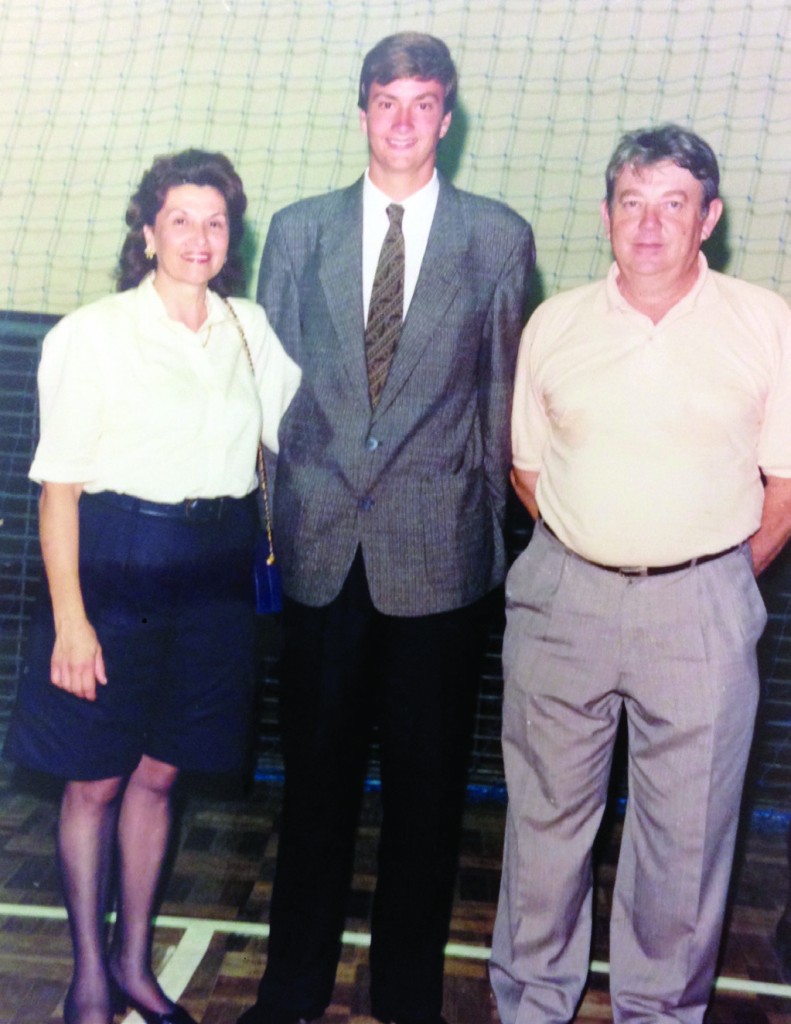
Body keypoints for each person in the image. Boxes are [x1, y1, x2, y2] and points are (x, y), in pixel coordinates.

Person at [236, 32, 535, 1024]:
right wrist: (272, 534)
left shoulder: (495, 237)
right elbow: (264, 395)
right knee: (312, 790)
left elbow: (500, 397)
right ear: (361, 111)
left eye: (422, 104)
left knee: (425, 796)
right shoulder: (298, 231)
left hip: (437, 561)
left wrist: (485, 543)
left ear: (446, 118)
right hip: (319, 554)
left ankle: (407, 997)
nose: (402, 122)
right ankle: (289, 992)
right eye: (385, 102)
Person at [489, 124, 791, 1023]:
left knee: (685, 845)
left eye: (673, 205)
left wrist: (702, 576)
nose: (650, 225)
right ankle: (532, 1005)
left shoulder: (764, 321)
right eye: (632, 203)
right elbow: (526, 470)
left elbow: (784, 486)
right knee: (542, 832)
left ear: (710, 218)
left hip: (700, 608)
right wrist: (601, 550)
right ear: (605, 214)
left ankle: (658, 1014)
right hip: (562, 600)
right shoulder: (556, 323)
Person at [5, 149, 300, 1024]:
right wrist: (70, 620)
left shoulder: (249, 327)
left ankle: (136, 966)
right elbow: (58, 488)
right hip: (116, 564)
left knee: (160, 778)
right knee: (93, 781)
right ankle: (89, 979)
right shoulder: (91, 334)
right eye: (181, 218)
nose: (199, 237)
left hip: (217, 579)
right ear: (148, 231)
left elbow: (303, 432)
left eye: (216, 222)